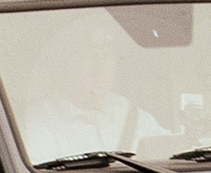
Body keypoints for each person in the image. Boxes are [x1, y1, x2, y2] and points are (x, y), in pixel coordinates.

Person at [14, 12, 169, 161]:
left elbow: (171, 149)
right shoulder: (39, 123)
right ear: (66, 64)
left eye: (107, 55)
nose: (100, 67)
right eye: (88, 56)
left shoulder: (127, 111)